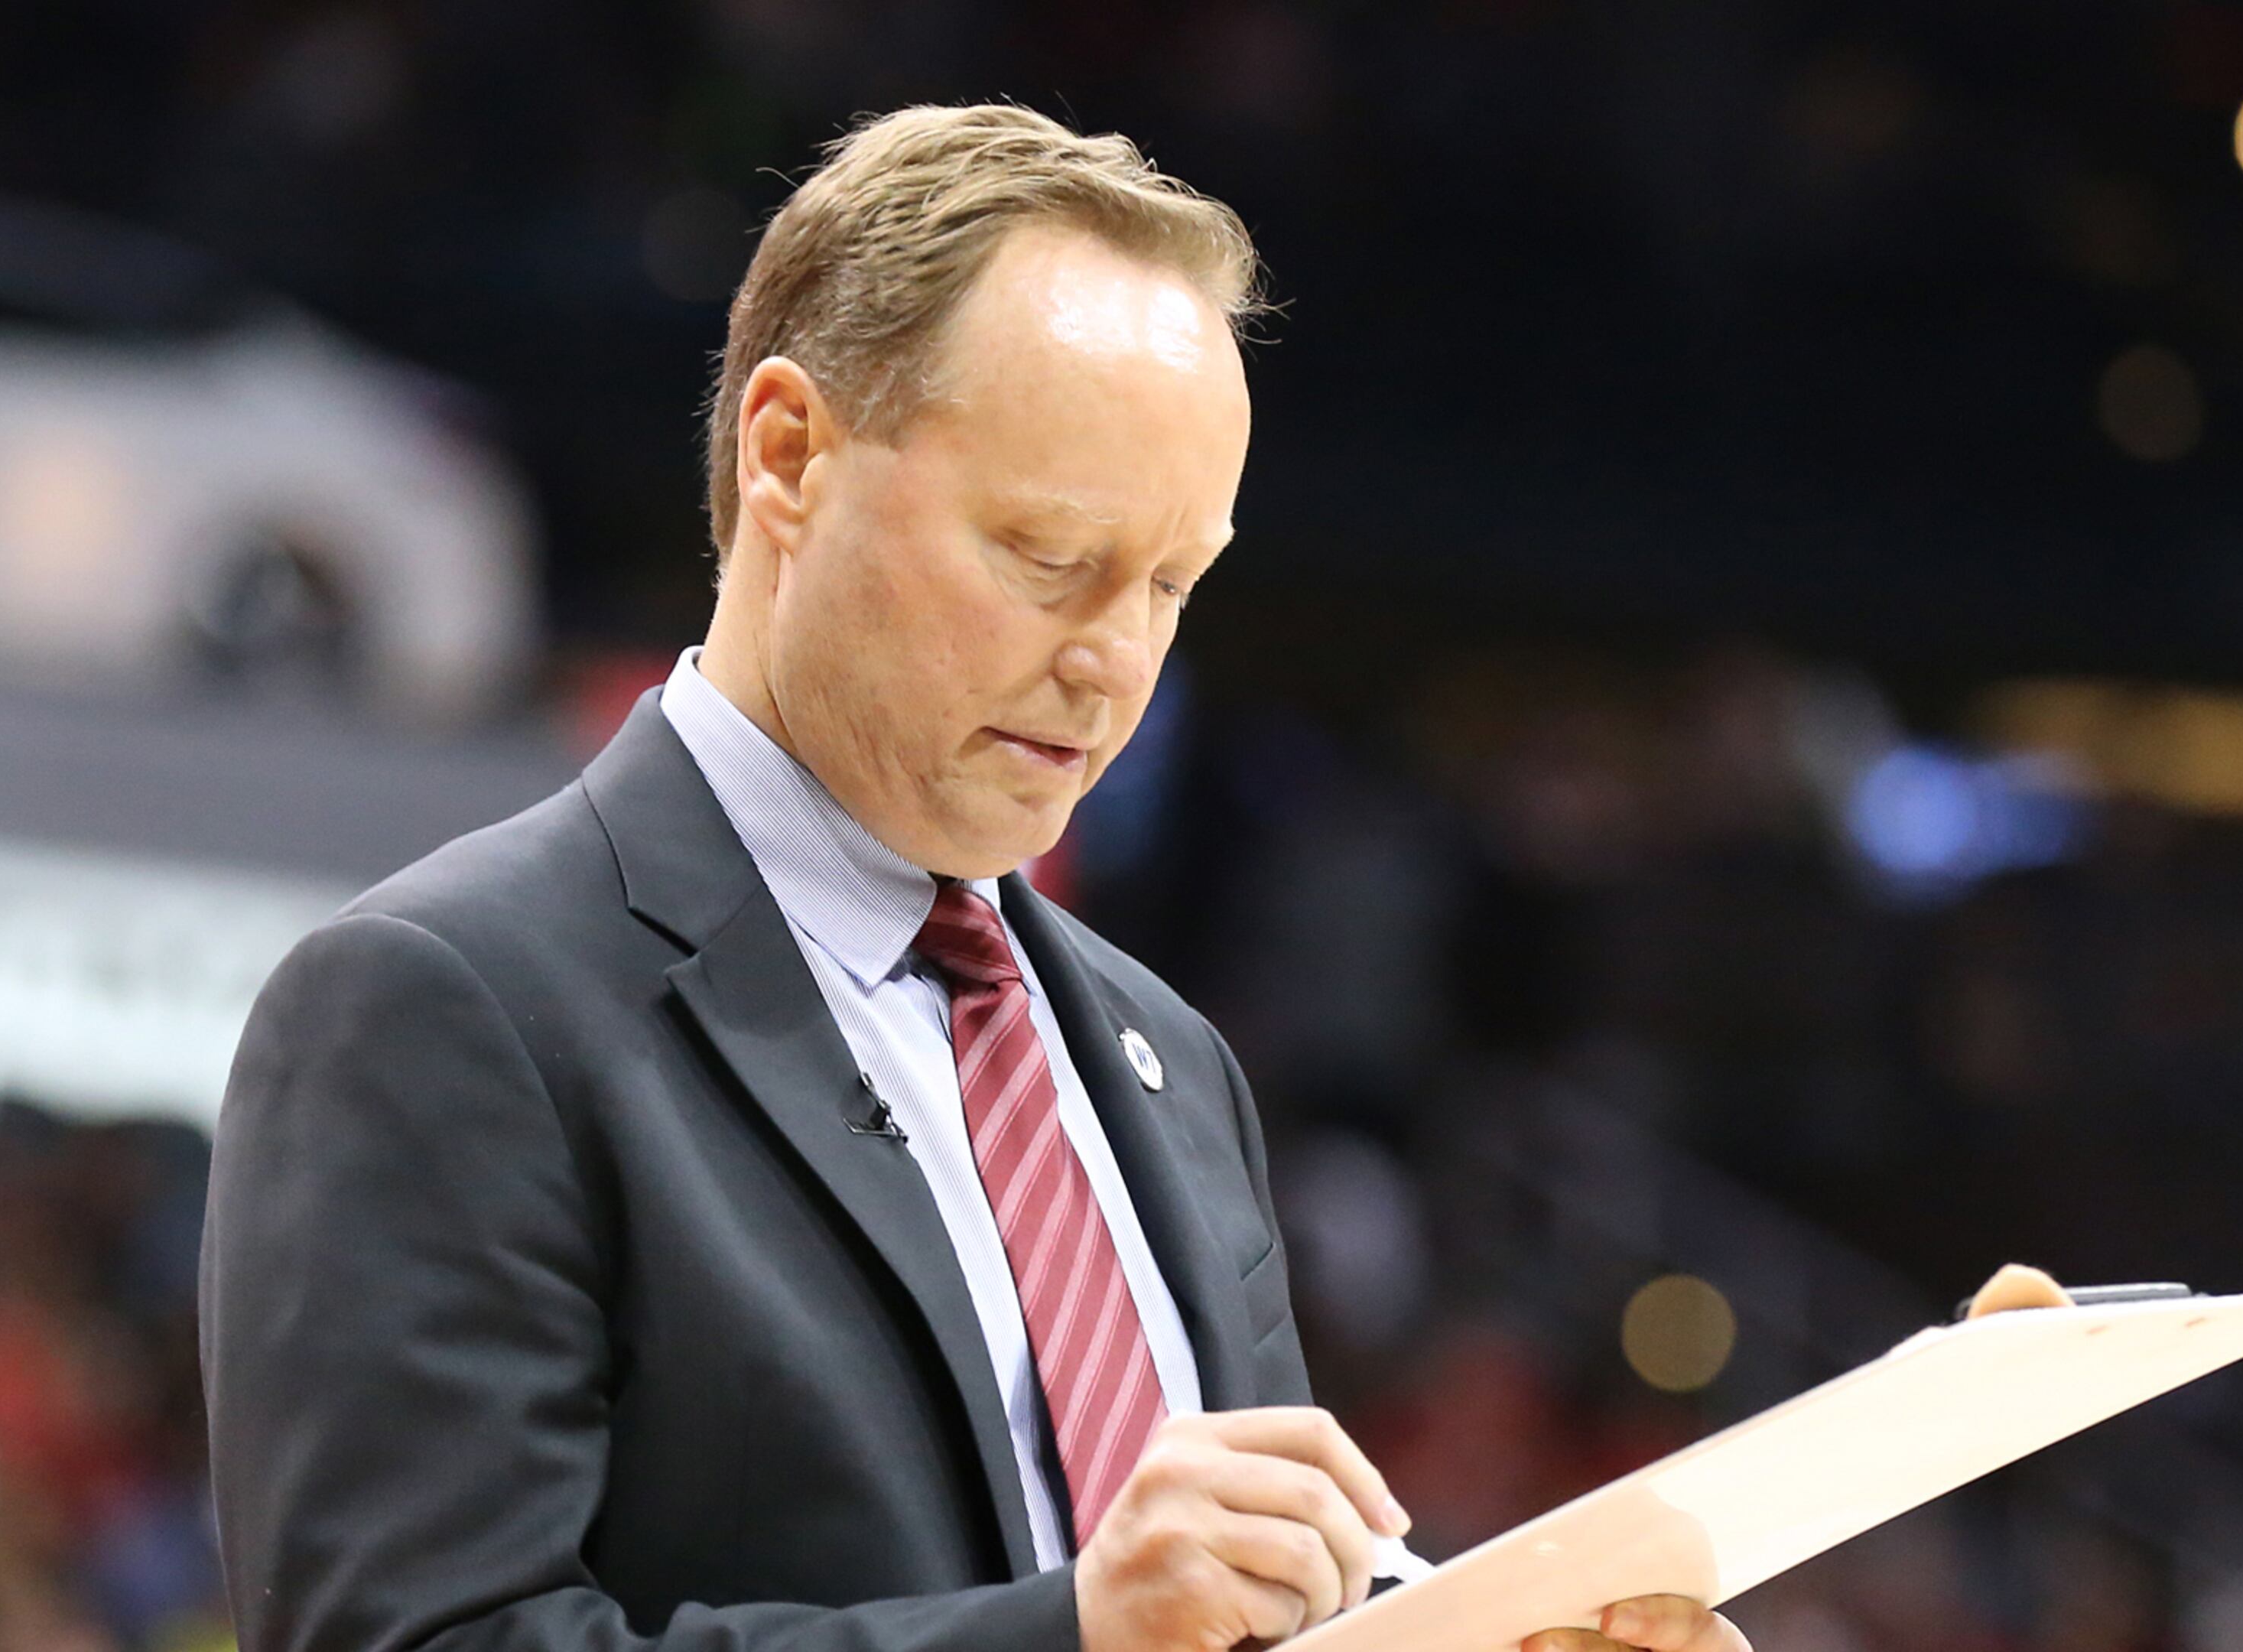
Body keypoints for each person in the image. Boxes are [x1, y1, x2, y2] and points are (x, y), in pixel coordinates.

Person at [200, 102, 1750, 1652]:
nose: (1112, 662)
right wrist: (1067, 1637)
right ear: (791, 454)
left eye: (1169, 585)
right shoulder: (442, 1006)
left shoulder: (1174, 1071)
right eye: (1047, 555)